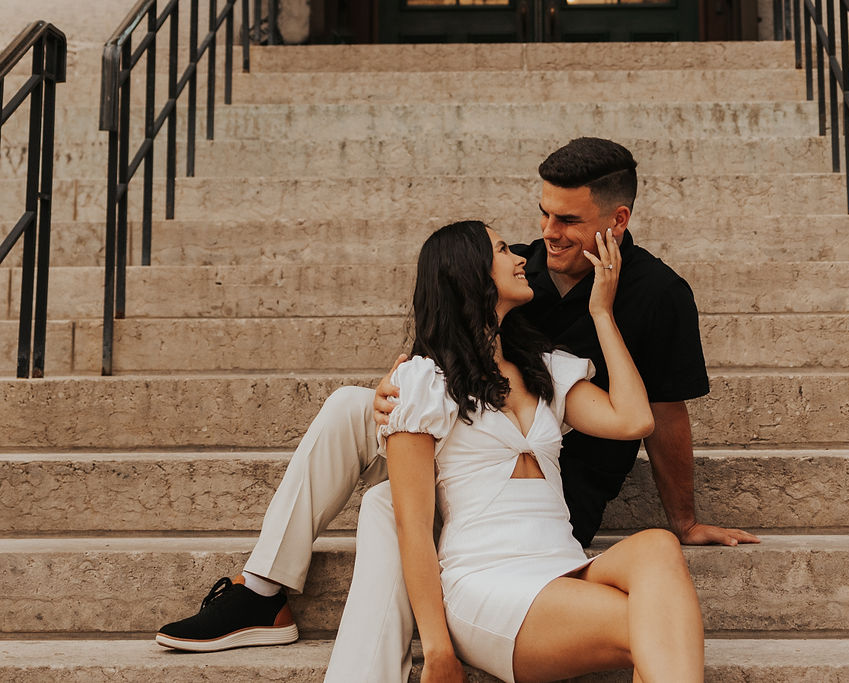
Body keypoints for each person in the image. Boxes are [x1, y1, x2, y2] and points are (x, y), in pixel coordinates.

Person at [154, 138, 756, 675]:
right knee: (357, 420)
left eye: (567, 220)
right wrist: (399, 382)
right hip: (472, 469)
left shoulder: (658, 295)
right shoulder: (523, 267)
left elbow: (661, 412)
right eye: (543, 214)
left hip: (557, 492)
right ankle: (263, 589)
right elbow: (449, 338)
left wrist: (683, 518)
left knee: (390, 504)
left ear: (616, 219)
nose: (545, 235)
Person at [346, 219, 703, 682]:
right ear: (469, 274)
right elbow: (412, 528)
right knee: (657, 625)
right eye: (502, 250)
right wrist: (437, 650)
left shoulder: (544, 371)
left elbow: (635, 420)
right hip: (488, 582)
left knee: (658, 546)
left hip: (563, 564)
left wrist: (602, 314)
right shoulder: (423, 384)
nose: (521, 258)